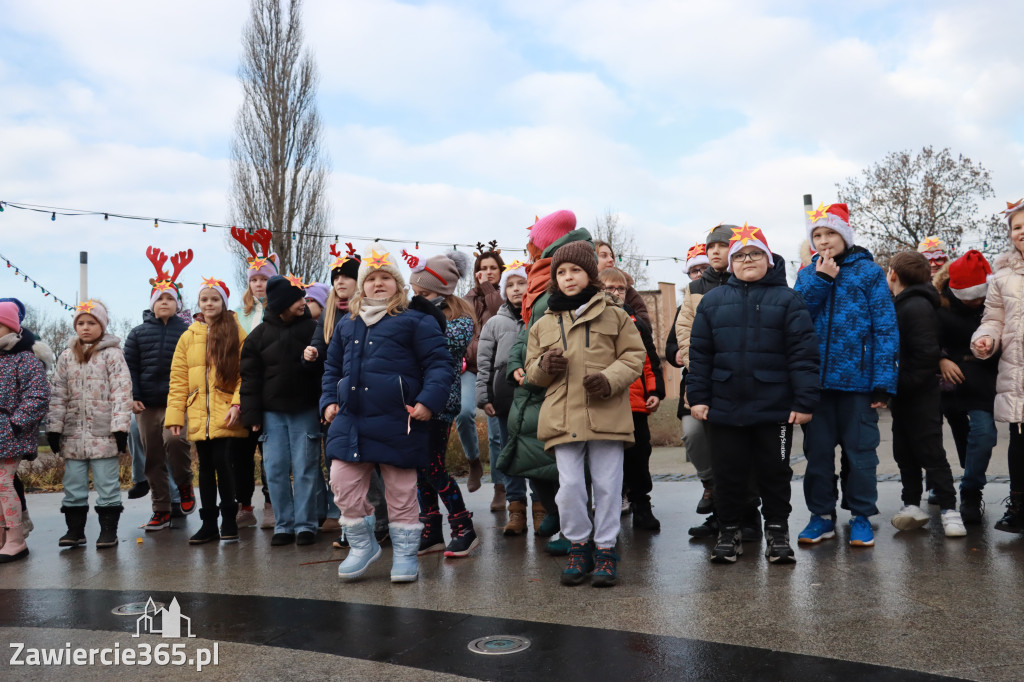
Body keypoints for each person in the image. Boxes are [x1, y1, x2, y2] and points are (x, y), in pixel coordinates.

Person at [688, 225, 820, 563]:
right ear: (731, 263)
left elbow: (803, 354)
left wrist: (805, 401)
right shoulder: (712, 302)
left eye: (755, 254)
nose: (748, 260)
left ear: (768, 258)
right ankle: (729, 531)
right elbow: (700, 355)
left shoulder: (789, 300)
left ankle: (777, 533)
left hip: (774, 409)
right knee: (728, 473)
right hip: (725, 406)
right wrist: (698, 397)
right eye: (741, 255)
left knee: (775, 473)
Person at [322, 250, 453, 582]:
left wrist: (428, 401)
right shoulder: (347, 324)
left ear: (398, 284)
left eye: (385, 278)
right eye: (371, 278)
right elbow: (331, 367)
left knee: (401, 490)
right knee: (342, 482)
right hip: (351, 418)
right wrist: (328, 400)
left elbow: (439, 365)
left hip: (400, 418)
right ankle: (362, 545)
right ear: (361, 286)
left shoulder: (415, 321)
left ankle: (406, 555)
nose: (378, 283)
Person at [526, 240, 646, 587]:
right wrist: (544, 365)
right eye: (561, 272)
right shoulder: (543, 322)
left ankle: (606, 549)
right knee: (571, 487)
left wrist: (609, 379)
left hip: (606, 413)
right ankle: (579, 545)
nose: (568, 277)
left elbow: (634, 357)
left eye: (575, 270)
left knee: (609, 486)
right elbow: (531, 369)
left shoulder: (615, 314)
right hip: (562, 416)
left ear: (590, 274)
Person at [795, 203, 898, 548]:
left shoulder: (869, 272)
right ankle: (821, 516)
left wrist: (883, 381)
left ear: (844, 235)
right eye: (818, 235)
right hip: (817, 385)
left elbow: (886, 328)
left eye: (830, 233)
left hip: (859, 383)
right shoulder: (807, 274)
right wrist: (823, 278)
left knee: (861, 455)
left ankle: (861, 516)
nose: (824, 241)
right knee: (819, 455)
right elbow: (797, 318)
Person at [496, 209, 593, 555]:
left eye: (533, 242)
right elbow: (531, 330)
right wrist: (515, 365)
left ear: (545, 243)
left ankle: (576, 527)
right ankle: (556, 511)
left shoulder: (566, 273)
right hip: (536, 372)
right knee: (533, 447)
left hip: (561, 375)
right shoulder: (540, 276)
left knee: (563, 457)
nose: (529, 249)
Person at [675, 225, 762, 540]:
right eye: (710, 246)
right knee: (695, 435)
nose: (714, 251)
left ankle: (750, 514)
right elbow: (684, 328)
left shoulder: (750, 282)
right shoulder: (696, 287)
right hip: (701, 378)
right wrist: (695, 362)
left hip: (739, 381)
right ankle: (715, 498)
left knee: (743, 447)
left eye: (722, 246)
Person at [305, 245, 389, 547]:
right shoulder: (328, 317)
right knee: (342, 464)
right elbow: (323, 358)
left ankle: (381, 521)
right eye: (336, 277)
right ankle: (353, 524)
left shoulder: (365, 314)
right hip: (338, 401)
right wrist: (310, 353)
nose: (340, 282)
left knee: (372, 462)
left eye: (347, 276)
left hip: (368, 396)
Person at [885, 251, 965, 537]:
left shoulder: (915, 306)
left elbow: (925, 353)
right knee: (904, 452)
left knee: (930, 451)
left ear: (893, 274)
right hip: (906, 391)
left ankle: (949, 509)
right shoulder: (904, 304)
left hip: (918, 392)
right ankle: (910, 505)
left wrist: (897, 384)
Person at [408, 251, 481, 557]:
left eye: (424, 294)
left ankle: (463, 525)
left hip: (441, 400)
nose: (419, 299)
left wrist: (423, 320)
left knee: (433, 465)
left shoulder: (461, 319)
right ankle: (432, 528)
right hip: (414, 400)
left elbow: (442, 344)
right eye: (416, 294)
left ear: (443, 290)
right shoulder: (416, 316)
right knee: (418, 468)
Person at [241, 275, 323, 546]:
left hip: (306, 410)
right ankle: (284, 525)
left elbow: (324, 371)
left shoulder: (313, 329)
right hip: (271, 414)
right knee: (274, 469)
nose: (304, 302)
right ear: (282, 303)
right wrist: (251, 415)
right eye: (298, 298)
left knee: (305, 468)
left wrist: (312, 363)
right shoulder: (258, 337)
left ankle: (306, 525)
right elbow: (250, 380)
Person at [165, 277, 248, 545]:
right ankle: (209, 523)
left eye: (214, 299)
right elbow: (178, 379)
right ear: (198, 303)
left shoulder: (237, 332)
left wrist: (238, 404)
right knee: (205, 470)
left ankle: (230, 522)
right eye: (204, 299)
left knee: (225, 467)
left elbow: (244, 375)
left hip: (226, 412)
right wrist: (176, 415)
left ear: (223, 302)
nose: (209, 303)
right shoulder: (188, 337)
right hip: (199, 413)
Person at [48, 300, 133, 549]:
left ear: (102, 325)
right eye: (81, 323)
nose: (85, 328)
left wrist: (120, 428)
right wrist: (54, 428)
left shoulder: (112, 354)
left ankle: (108, 530)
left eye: (91, 323)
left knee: (107, 484)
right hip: (73, 434)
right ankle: (75, 530)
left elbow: (122, 391)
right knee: (73, 484)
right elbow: (58, 394)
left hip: (103, 432)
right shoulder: (66, 356)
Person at [124, 247, 196, 531]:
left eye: (170, 298)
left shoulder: (189, 331)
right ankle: (161, 509)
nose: (164, 302)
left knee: (175, 443)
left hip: (180, 403)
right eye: (160, 298)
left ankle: (185, 485)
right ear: (152, 304)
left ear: (178, 304)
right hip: (147, 405)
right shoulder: (138, 333)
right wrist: (134, 396)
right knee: (152, 457)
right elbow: (129, 368)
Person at [598, 267, 665, 531]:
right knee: (609, 456)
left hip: (635, 402)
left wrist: (655, 391)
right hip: (606, 400)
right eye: (608, 289)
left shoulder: (636, 323)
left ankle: (642, 503)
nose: (615, 293)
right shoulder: (591, 322)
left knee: (639, 454)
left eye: (620, 289)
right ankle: (610, 505)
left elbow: (649, 361)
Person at [972, 199, 1024, 532]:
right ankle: (1019, 507)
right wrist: (986, 338)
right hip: (1017, 373)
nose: (1022, 233)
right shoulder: (1002, 277)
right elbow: (993, 318)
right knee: (1019, 443)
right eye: (1017, 227)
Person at [476, 260, 539, 535]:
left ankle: (541, 507)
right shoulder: (494, 323)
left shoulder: (538, 317)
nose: (516, 289)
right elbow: (484, 362)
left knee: (536, 449)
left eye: (521, 283)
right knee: (508, 449)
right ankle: (516, 509)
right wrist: (483, 395)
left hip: (535, 393)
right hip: (504, 396)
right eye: (510, 285)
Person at [935, 250, 998, 523]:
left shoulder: (994, 304)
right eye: (972, 298)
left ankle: (971, 489)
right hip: (950, 385)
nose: (978, 303)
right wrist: (941, 359)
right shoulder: (939, 306)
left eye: (982, 297)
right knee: (959, 437)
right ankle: (940, 484)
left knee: (984, 435)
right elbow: (923, 338)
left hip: (983, 383)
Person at [230, 227, 279, 531]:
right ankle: (244, 504)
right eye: (254, 279)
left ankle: (271, 502)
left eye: (264, 279)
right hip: (245, 386)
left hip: (271, 385)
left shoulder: (280, 310)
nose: (259, 284)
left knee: (270, 452)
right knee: (242, 451)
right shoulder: (238, 313)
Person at [0, 301, 49, 563]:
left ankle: (16, 538)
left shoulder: (24, 358)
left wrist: (17, 422)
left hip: (11, 431)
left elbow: (38, 394)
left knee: (3, 482)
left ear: (9, 326)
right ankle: (3, 537)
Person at [462, 241, 505, 497]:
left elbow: (499, 311)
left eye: (493, 268)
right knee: (463, 412)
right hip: (470, 368)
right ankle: (474, 462)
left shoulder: (504, 297)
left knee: (496, 433)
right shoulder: (466, 299)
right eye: (483, 268)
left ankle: (500, 485)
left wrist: (488, 288)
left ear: (500, 271)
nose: (488, 272)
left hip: (494, 369)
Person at [594, 240, 650, 326]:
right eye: (604, 256)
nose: (611, 259)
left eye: (611, 256)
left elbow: (645, 326)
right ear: (591, 258)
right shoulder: (581, 288)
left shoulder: (626, 288)